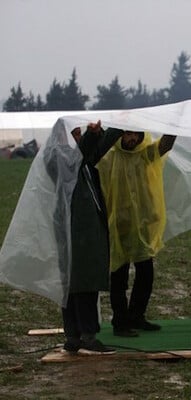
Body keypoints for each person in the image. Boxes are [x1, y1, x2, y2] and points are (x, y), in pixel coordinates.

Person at [45, 121, 123, 354]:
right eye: (74, 134)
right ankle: (83, 336)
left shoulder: (80, 160)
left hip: (82, 231)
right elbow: (78, 157)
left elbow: (94, 150)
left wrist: (118, 126)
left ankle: (75, 336)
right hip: (74, 231)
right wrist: (91, 134)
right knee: (79, 283)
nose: (78, 138)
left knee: (77, 283)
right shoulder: (57, 158)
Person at [98, 129, 176, 337]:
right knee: (119, 277)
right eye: (128, 134)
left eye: (136, 134)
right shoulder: (109, 157)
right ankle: (120, 322)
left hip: (141, 226)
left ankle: (136, 316)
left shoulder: (145, 153)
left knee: (146, 274)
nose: (132, 139)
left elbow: (164, 146)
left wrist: (174, 125)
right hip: (119, 227)